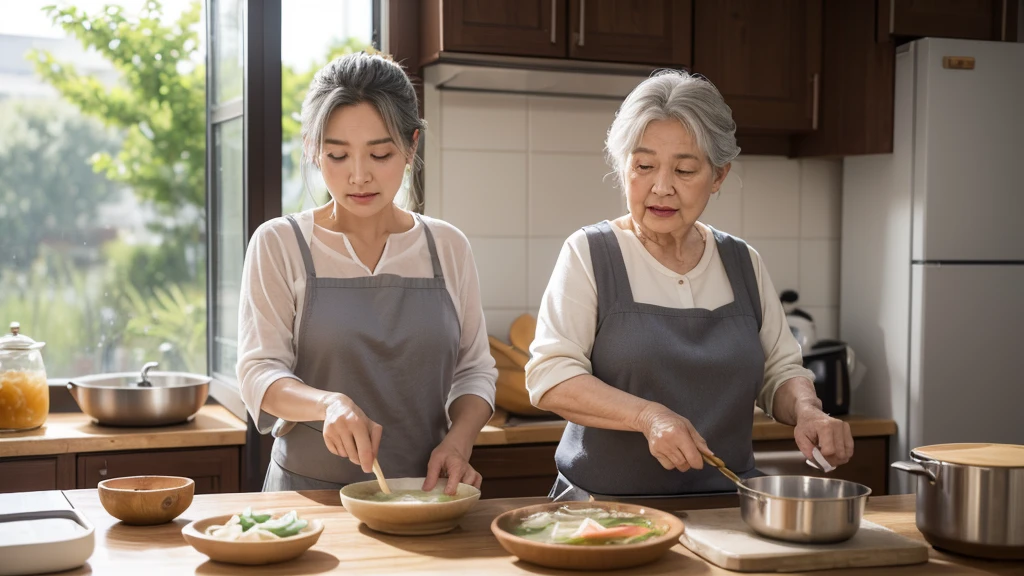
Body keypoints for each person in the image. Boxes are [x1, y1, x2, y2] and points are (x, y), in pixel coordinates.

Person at [525, 70, 854, 500]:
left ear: (718, 177)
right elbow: (550, 376)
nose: (662, 187)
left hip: (726, 509)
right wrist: (649, 416)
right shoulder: (589, 253)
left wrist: (809, 411)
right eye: (644, 166)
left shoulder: (743, 262)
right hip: (603, 513)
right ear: (624, 168)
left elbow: (780, 372)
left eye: (684, 169)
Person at [237, 52, 496, 493]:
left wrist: (459, 441)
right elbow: (259, 373)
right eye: (338, 155)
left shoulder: (446, 247)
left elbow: (474, 371)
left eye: (380, 154)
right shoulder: (280, 244)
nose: (359, 176)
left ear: (411, 146)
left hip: (422, 494)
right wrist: (327, 403)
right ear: (314, 151)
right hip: (307, 498)